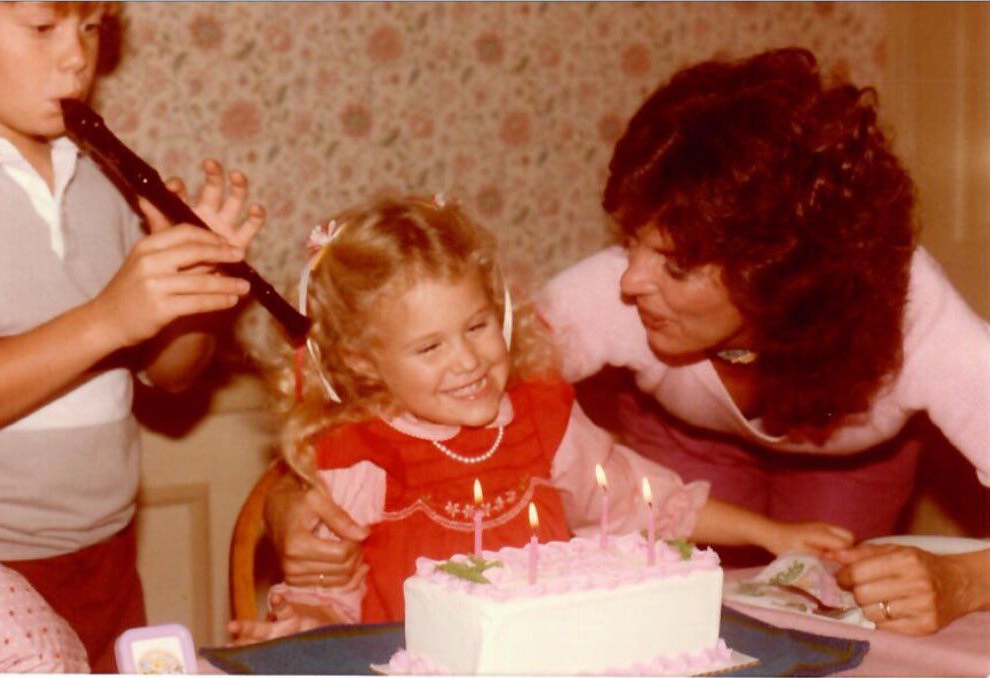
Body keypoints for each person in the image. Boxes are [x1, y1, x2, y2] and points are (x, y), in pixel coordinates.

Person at [262, 48, 989, 636]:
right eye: (633, 240)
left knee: (839, 617)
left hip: (851, 464)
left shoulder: (916, 319)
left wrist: (962, 581)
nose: (631, 279)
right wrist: (292, 504)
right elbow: (391, 416)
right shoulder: (609, 296)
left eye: (675, 264)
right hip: (681, 455)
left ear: (779, 275)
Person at [228, 196, 853, 643]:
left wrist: (772, 534)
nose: (468, 360)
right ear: (364, 363)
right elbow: (328, 596)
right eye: (430, 347)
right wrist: (305, 624)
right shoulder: (361, 456)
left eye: (477, 326)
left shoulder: (539, 416)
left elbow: (643, 500)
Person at [0, 2, 265, 670]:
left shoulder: (100, 180)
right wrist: (107, 318)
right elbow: (107, 325)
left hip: (105, 555)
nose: (77, 56)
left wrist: (194, 294)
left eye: (90, 28)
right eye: (42, 28)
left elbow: (171, 374)